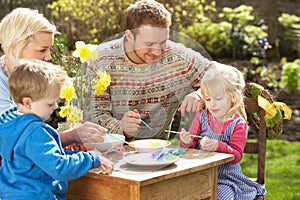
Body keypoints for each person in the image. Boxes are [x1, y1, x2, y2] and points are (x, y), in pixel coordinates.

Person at [90, 0, 211, 140]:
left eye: (162, 42)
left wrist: (202, 93)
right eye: (149, 44)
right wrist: (121, 128)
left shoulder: (177, 56)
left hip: (158, 154)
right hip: (110, 153)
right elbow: (95, 114)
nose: (158, 51)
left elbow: (225, 73)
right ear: (129, 36)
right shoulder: (101, 59)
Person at [0, 59, 114, 199]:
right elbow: (59, 168)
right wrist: (91, 158)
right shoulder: (35, 132)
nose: (55, 107)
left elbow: (42, 161)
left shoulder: (13, 129)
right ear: (28, 103)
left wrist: (78, 155)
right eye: (50, 104)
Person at [0, 7, 107, 148]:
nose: (49, 57)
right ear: (15, 46)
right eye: (42, 50)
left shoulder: (25, 77)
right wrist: (71, 136)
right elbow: (17, 136)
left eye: (49, 49)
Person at [179, 62, 266, 199]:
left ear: (233, 97)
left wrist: (218, 146)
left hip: (225, 179)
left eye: (218, 98)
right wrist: (186, 142)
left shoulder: (238, 124)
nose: (212, 104)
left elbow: (236, 156)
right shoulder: (202, 117)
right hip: (200, 175)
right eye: (208, 99)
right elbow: (191, 147)